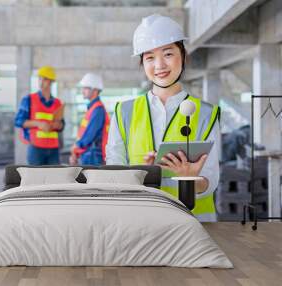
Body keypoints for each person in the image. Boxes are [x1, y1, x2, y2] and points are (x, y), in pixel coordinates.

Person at [106, 14, 221, 222]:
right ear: (142, 62)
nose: (159, 65)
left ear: (183, 56)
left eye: (168, 54)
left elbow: (211, 179)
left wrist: (190, 179)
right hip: (140, 223)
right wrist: (142, 174)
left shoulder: (206, 113)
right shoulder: (123, 112)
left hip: (193, 227)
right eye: (149, 57)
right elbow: (113, 175)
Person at [14, 66, 64, 165]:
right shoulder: (29, 99)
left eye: (45, 79)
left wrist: (58, 125)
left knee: (55, 179)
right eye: (40, 79)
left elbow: (62, 124)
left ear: (51, 81)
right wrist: (38, 123)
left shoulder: (57, 103)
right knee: (36, 179)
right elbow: (18, 121)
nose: (41, 82)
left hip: (53, 149)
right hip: (36, 148)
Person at [69, 73, 110, 165]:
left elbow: (89, 136)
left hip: (93, 155)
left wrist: (76, 147)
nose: (82, 91)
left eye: (85, 88)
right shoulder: (92, 108)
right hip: (89, 153)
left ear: (95, 90)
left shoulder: (98, 109)